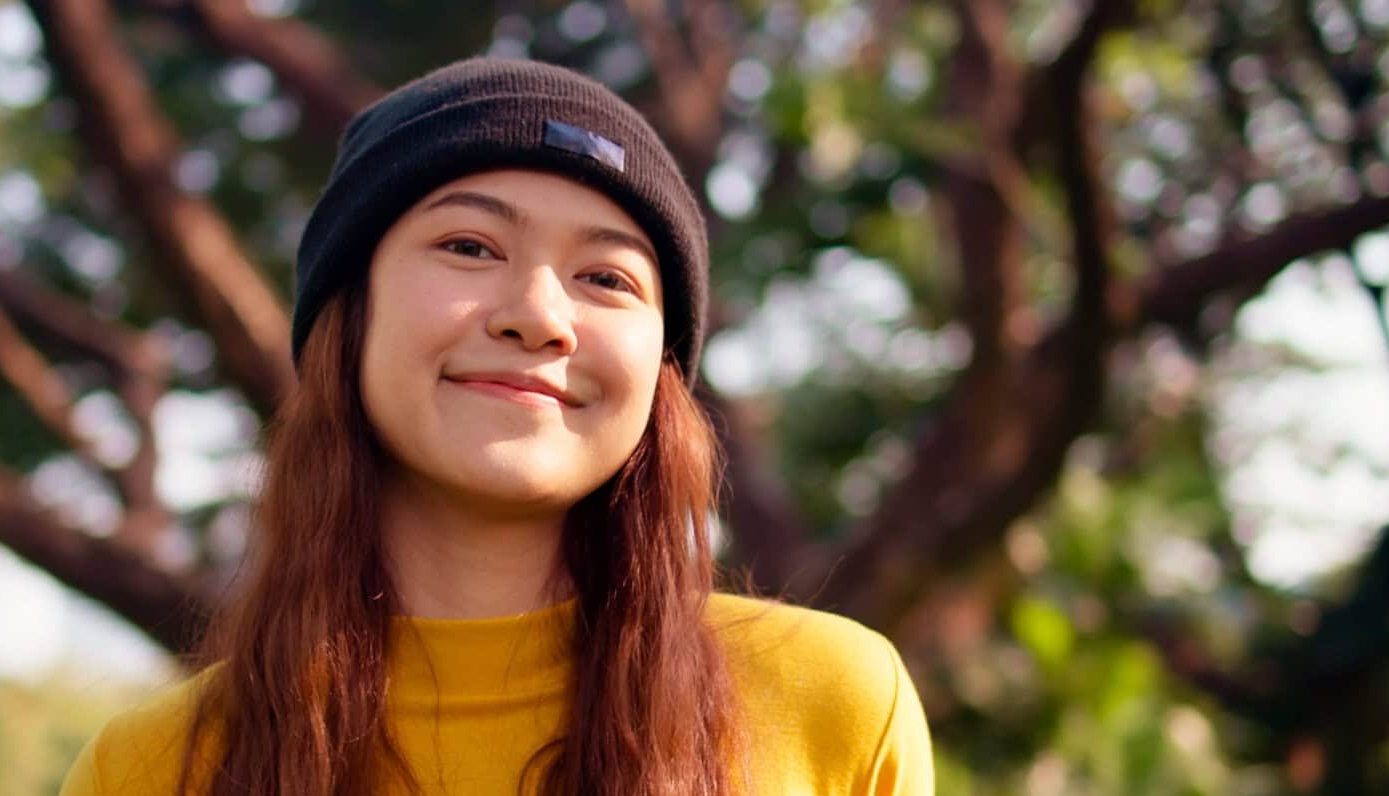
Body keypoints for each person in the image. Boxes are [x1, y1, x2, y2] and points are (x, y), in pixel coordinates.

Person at [59, 57, 931, 795]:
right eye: (470, 247)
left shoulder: (833, 704)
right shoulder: (154, 766)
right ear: (348, 318)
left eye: (608, 278)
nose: (539, 316)